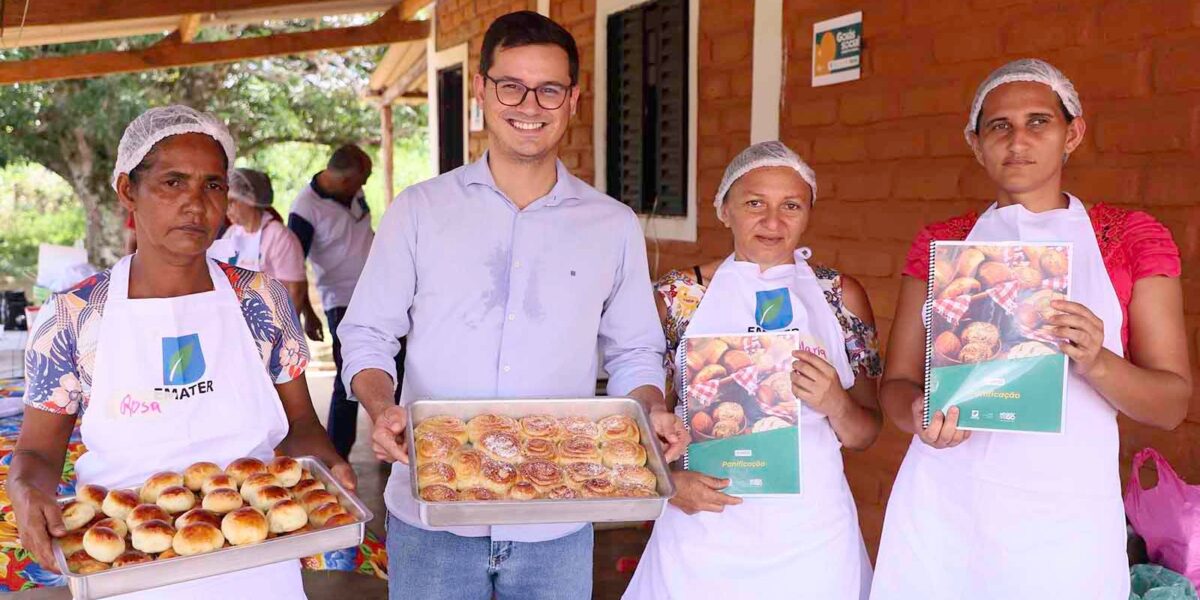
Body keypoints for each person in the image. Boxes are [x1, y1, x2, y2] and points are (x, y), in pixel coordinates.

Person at [338, 11, 688, 600]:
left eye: (550, 88)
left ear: (573, 98)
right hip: (434, 513)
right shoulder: (420, 211)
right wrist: (381, 406)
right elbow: (368, 332)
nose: (531, 103)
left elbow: (635, 351)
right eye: (511, 85)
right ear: (480, 90)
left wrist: (648, 407)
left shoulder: (612, 224)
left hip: (557, 514)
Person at [870, 59, 1192, 599]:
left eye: (1038, 121)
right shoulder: (941, 245)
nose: (1018, 140)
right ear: (975, 143)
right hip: (944, 505)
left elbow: (1170, 404)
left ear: (1074, 133)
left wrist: (1096, 359)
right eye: (999, 125)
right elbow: (897, 384)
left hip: (1066, 516)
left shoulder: (1129, 239)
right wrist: (918, 416)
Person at [9, 105, 355, 598]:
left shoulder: (260, 300)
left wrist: (328, 467)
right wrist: (25, 488)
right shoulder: (73, 315)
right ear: (128, 190)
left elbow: (300, 425)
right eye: (172, 183)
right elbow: (38, 451)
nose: (197, 205)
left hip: (256, 548)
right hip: (126, 553)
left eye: (213, 185)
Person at [623, 141, 881, 599]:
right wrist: (667, 483)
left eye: (791, 206)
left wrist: (835, 403)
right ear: (724, 209)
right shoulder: (678, 297)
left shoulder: (841, 296)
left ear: (809, 212)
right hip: (703, 526)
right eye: (754, 203)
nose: (773, 221)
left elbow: (864, 433)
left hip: (813, 533)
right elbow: (635, 411)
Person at [287, 144, 403, 459]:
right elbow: (293, 263)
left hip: (381, 291)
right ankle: (337, 455)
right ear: (341, 179)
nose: (363, 187)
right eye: (360, 180)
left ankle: (396, 443)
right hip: (343, 300)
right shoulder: (305, 210)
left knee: (397, 368)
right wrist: (308, 314)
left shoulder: (352, 193)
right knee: (349, 380)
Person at [209, 168, 309, 312]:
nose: (226, 209)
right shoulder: (232, 234)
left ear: (250, 200)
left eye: (232, 202)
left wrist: (282, 332)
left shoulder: (279, 237)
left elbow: (296, 290)